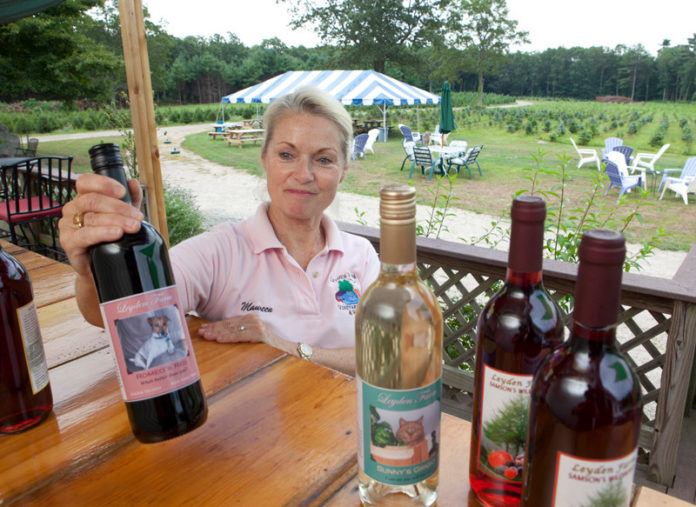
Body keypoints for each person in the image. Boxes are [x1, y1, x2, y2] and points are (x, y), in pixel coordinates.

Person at [58, 87, 380, 376]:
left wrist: (284, 346)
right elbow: (124, 312)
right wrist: (93, 272)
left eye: (324, 160)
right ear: (265, 159)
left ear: (342, 173)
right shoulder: (221, 252)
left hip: (351, 429)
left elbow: (385, 359)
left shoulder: (361, 256)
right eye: (287, 155)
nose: (304, 174)